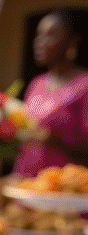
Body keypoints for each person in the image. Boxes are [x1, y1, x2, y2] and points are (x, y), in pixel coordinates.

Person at [16, 9, 88, 177]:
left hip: (67, 193)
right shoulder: (37, 84)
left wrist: (51, 139)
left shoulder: (84, 86)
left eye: (50, 35)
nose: (39, 42)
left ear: (73, 42)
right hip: (28, 187)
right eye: (38, 35)